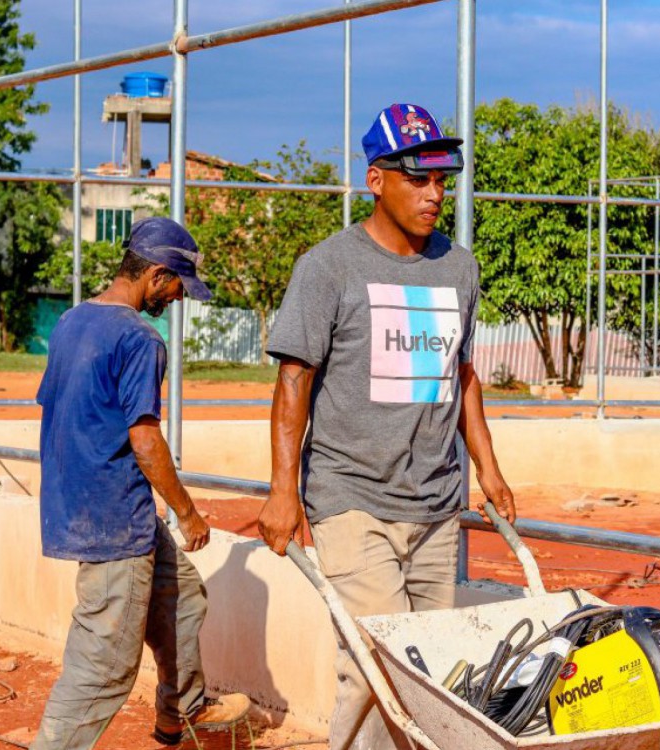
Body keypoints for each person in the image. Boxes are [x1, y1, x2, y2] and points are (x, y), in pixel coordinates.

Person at [257, 103, 517, 750]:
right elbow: (294, 382)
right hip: (352, 499)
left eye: (441, 181)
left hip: (435, 501)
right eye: (417, 179)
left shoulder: (458, 268)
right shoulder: (328, 267)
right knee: (376, 667)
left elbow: (462, 375)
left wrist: (488, 469)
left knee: (428, 674)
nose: (435, 195)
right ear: (377, 180)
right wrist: (282, 491)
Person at [32, 217, 250, 749]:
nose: (178, 298)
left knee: (183, 599)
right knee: (101, 669)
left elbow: (56, 409)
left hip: (95, 506)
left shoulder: (71, 321)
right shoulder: (139, 339)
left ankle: (182, 709)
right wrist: (188, 511)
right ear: (155, 275)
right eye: (178, 286)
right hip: (114, 522)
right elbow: (145, 439)